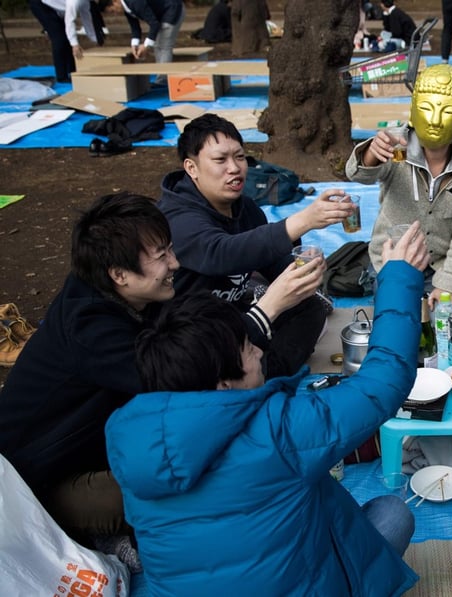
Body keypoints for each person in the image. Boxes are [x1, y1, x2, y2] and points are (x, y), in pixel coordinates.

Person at [0, 193, 320, 570]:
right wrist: (269, 307)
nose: (176, 263)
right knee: (194, 489)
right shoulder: (91, 330)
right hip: (42, 479)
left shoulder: (129, 294)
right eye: (162, 256)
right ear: (119, 274)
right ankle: (102, 540)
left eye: (171, 249)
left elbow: (198, 335)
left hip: (105, 442)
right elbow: (191, 374)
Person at [105, 223, 430, 595]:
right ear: (224, 384)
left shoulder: (129, 437)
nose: (260, 351)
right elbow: (382, 385)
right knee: (392, 514)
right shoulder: (278, 432)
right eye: (247, 348)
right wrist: (399, 278)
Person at [159, 114, 349, 378]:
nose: (234, 168)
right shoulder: (177, 217)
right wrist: (301, 221)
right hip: (189, 334)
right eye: (220, 160)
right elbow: (221, 252)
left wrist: (302, 268)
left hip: (234, 317)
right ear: (191, 168)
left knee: (309, 306)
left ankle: (267, 375)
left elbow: (272, 262)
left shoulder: (245, 208)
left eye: (239, 157)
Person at [345, 64, 452, 310]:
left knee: (448, 329)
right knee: (397, 325)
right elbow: (357, 174)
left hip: (442, 264)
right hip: (394, 259)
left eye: (447, 112)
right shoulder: (394, 144)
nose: (434, 120)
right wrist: (370, 154)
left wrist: (449, 280)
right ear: (412, 113)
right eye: (425, 108)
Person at [29, 0, 100, 83]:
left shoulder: (86, 2)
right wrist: (75, 44)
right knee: (60, 39)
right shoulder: (75, 1)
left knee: (67, 37)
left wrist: (94, 39)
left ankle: (72, 70)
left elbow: (86, 19)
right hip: (42, 5)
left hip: (57, 9)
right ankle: (61, 76)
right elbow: (70, 21)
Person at [121, 0, 185, 65]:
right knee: (157, 46)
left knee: (164, 47)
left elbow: (154, 24)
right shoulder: (127, 7)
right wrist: (134, 44)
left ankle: (163, 74)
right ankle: (160, 73)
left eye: (111, 7)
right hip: (162, 13)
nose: (111, 10)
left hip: (173, 9)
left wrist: (146, 45)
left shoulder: (135, 2)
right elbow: (135, 27)